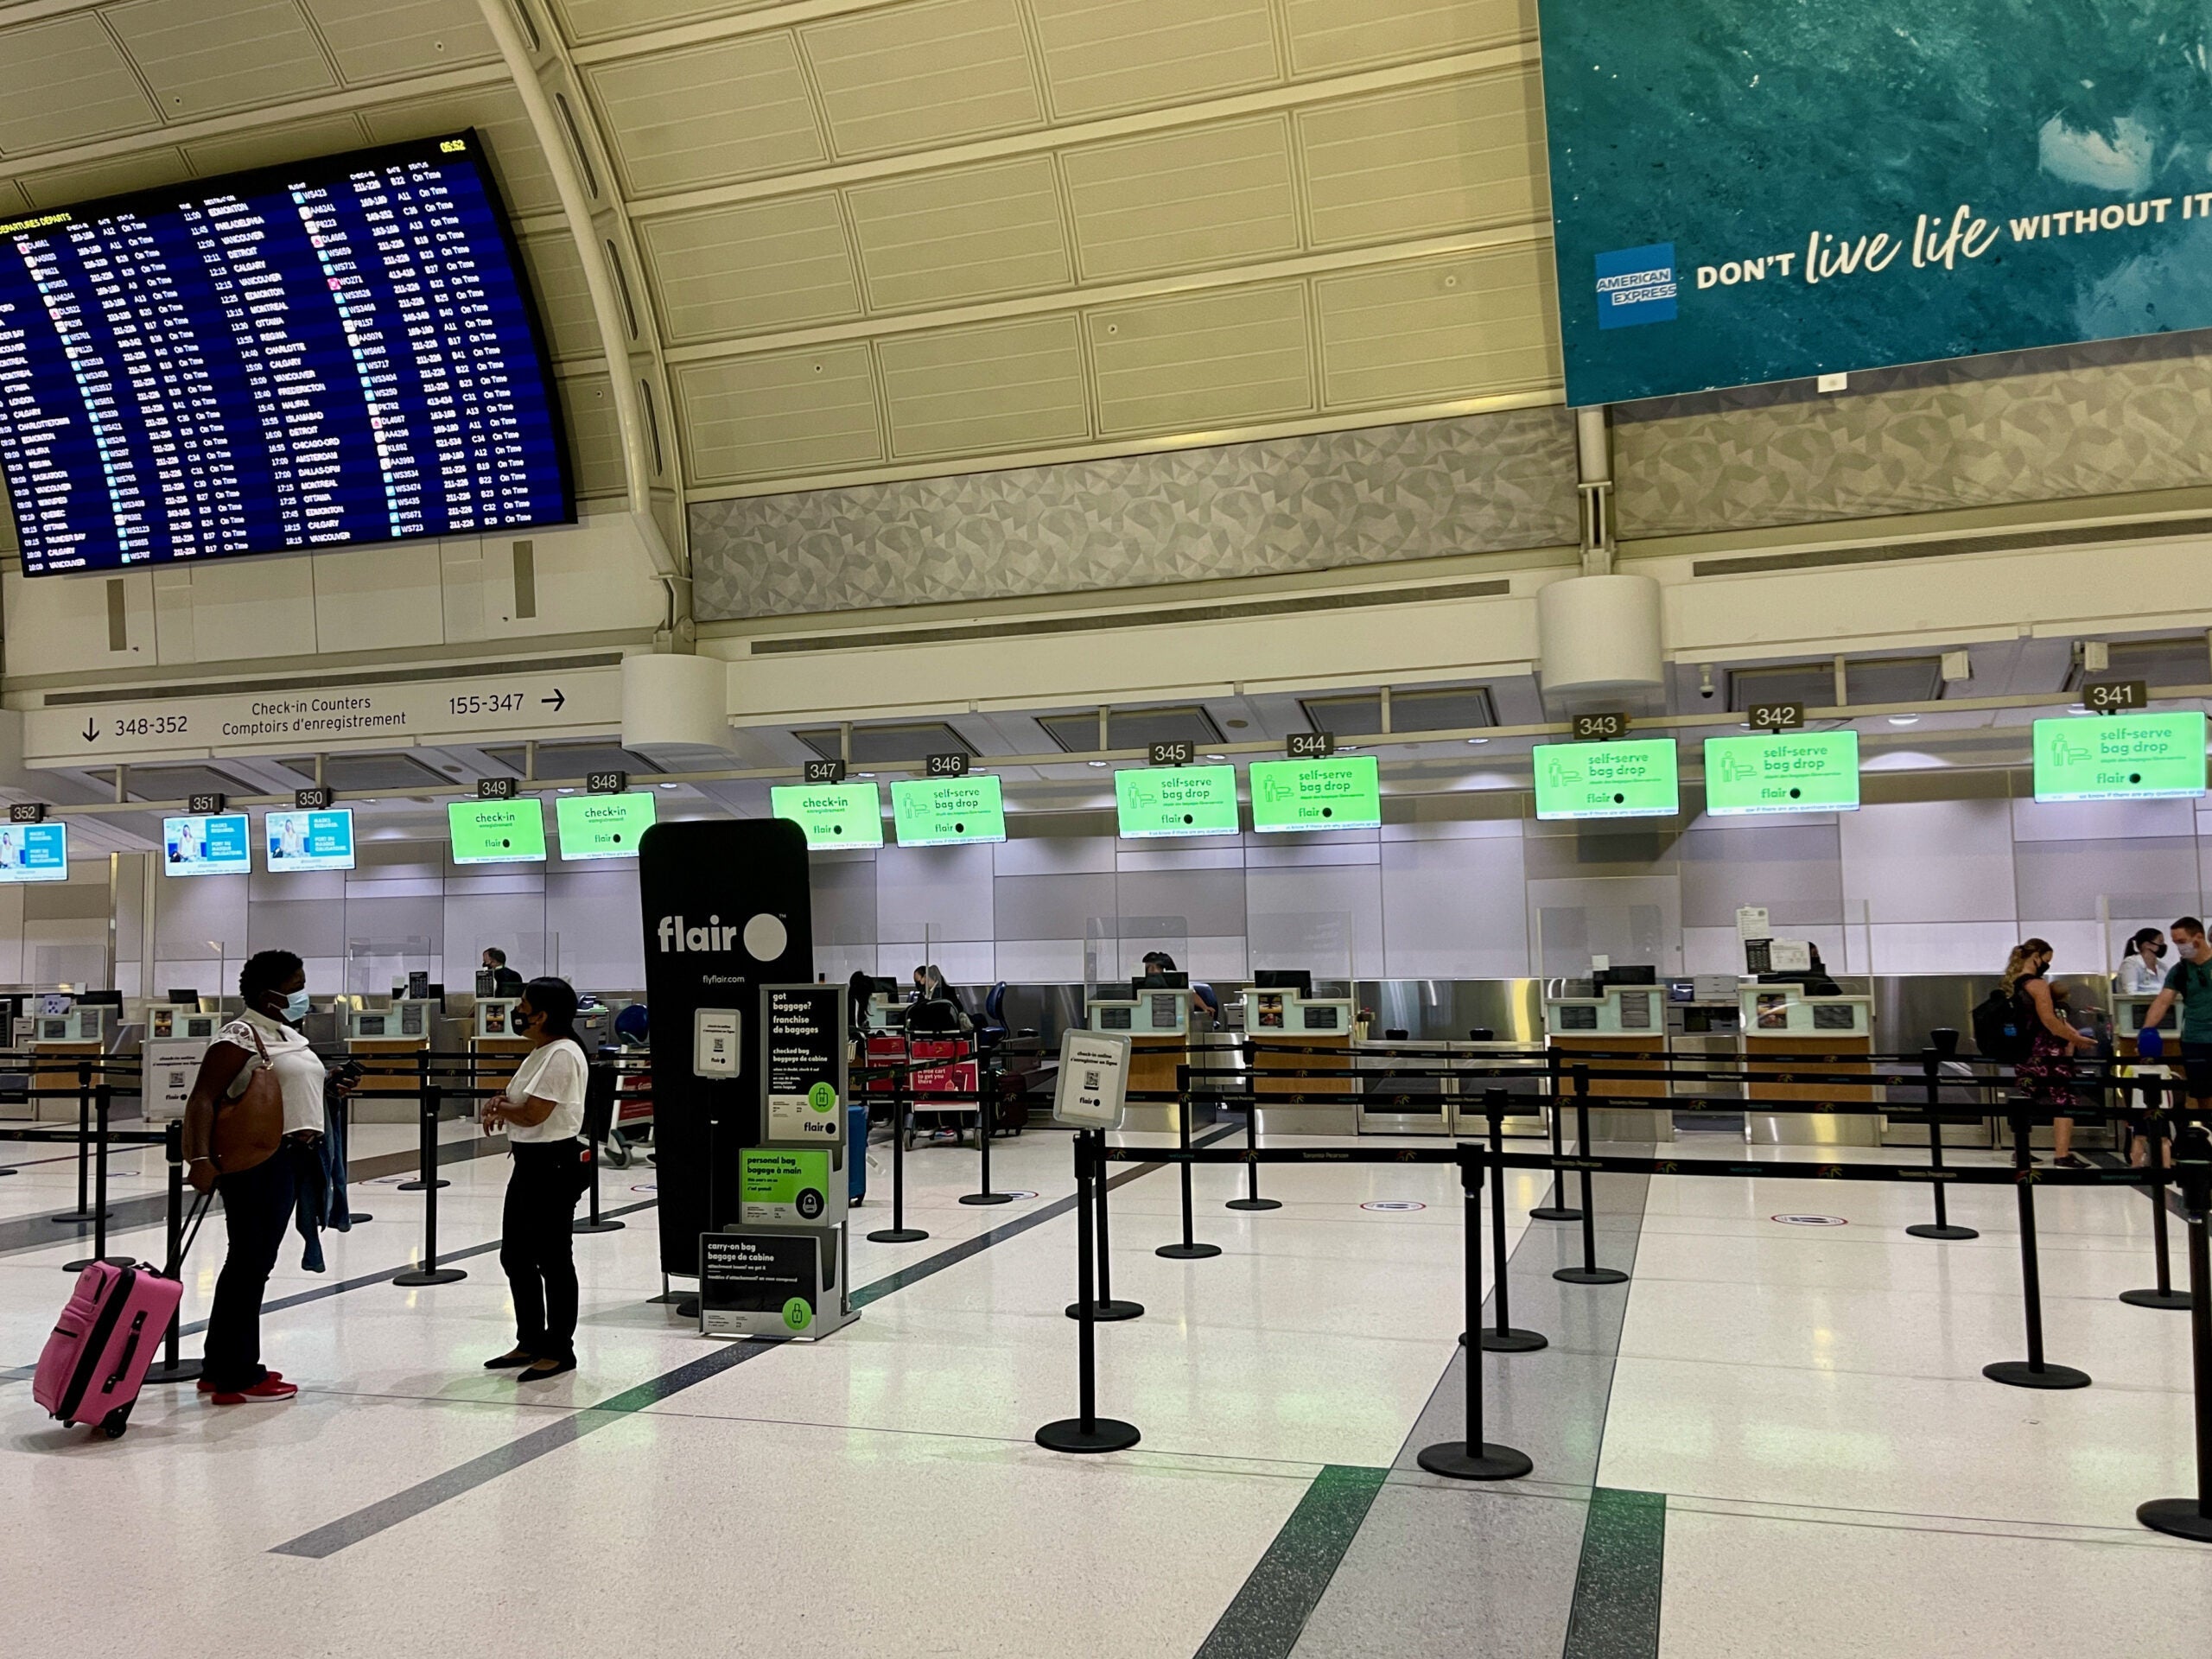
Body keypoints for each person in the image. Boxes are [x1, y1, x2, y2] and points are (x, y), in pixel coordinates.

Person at [181, 950, 354, 1405]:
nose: (303, 994)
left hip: (294, 1157)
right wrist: (199, 1159)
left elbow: (288, 1087)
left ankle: (220, 1365)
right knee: (250, 1264)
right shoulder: (238, 1036)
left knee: (250, 1263)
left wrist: (328, 1083)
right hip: (259, 1162)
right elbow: (202, 1098)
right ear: (267, 994)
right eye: (296, 986)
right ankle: (238, 1373)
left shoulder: (285, 1033)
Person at [480, 977, 591, 1381]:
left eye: (524, 1006)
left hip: (553, 1166)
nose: (518, 1012)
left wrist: (502, 1109)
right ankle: (530, 1339)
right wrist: (501, 1101)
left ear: (542, 1015)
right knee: (516, 1256)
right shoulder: (542, 1051)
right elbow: (521, 1102)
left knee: (553, 1259)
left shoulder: (562, 1054)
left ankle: (559, 1349)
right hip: (530, 1164)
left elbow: (533, 1114)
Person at [2005, 938, 2097, 1168]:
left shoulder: (2012, 983)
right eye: (2047, 960)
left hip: (2023, 1050)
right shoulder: (2037, 985)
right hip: (2046, 1050)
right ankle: (2062, 1154)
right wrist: (2075, 1039)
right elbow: (2049, 1020)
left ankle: (2021, 1150)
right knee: (2064, 1097)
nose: (2047, 965)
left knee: (2026, 1097)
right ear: (2036, 957)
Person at [2137, 916, 2212, 1111]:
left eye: (2182, 941)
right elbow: (2162, 1001)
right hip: (2195, 1040)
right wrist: (2146, 1031)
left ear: (2198, 937)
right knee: (2203, 1094)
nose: (2179, 947)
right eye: (2176, 943)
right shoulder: (2179, 971)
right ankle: (2208, 1127)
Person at [2117, 927, 2169, 995]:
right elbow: (2131, 993)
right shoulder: (2130, 964)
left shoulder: (2162, 967)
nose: (2164, 945)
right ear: (2147, 944)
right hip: (2138, 1002)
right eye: (2161, 942)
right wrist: (2160, 995)